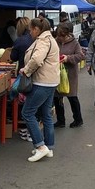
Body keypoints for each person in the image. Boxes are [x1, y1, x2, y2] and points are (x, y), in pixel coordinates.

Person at [20, 17, 60, 162]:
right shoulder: (50, 39)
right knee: (46, 114)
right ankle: (48, 147)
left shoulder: (43, 41)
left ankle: (40, 146)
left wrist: (26, 70)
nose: (30, 32)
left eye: (31, 29)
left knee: (27, 113)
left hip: (42, 82)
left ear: (37, 29)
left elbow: (37, 59)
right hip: (51, 81)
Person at [53, 24, 84, 128]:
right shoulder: (55, 41)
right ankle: (60, 120)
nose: (60, 38)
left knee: (72, 97)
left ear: (67, 35)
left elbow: (80, 56)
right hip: (57, 73)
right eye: (59, 36)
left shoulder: (75, 43)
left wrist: (68, 58)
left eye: (62, 36)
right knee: (57, 98)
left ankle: (78, 119)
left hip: (70, 74)